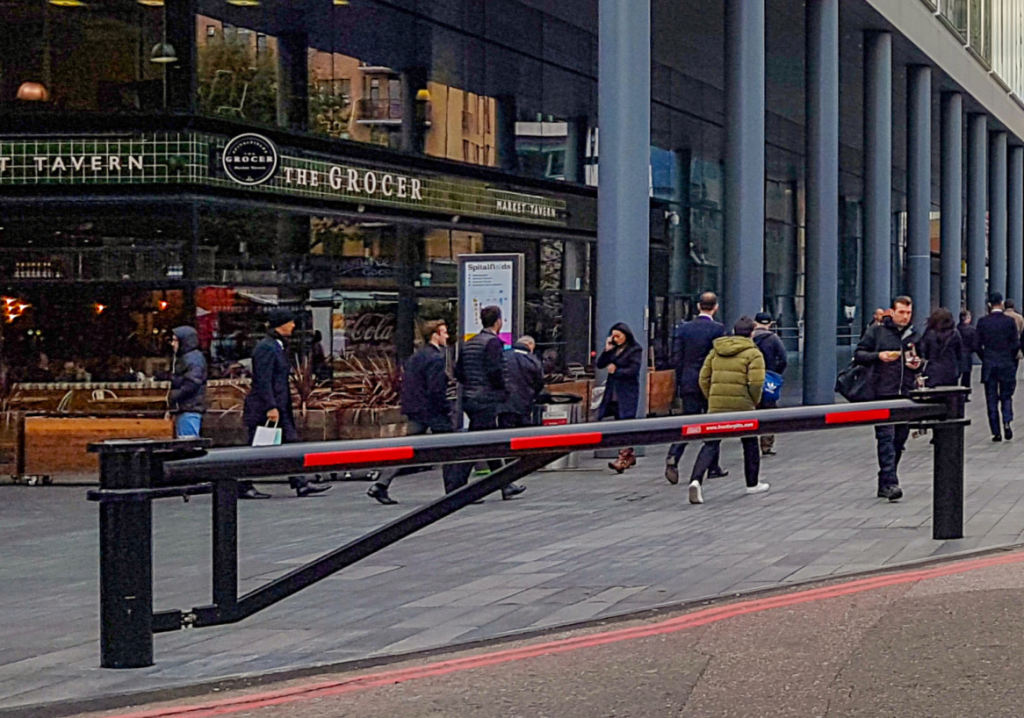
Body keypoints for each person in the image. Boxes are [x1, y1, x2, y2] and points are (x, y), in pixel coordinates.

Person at [242, 309, 330, 498]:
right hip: (265, 408)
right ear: (280, 324)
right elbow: (263, 380)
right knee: (255, 448)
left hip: (280, 406)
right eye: (290, 322)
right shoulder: (266, 347)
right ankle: (243, 485)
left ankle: (300, 483)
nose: (293, 325)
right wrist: (270, 406)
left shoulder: (278, 345)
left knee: (290, 444)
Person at [368, 319, 456, 504]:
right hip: (432, 411)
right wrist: (446, 408)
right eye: (444, 332)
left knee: (407, 448)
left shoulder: (416, 356)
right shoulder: (436, 358)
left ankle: (382, 483)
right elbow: (435, 389)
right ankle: (453, 490)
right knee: (451, 448)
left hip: (416, 408)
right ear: (435, 335)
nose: (447, 336)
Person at [687, 316, 769, 505]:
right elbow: (756, 383)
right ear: (752, 332)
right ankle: (752, 483)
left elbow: (703, 378)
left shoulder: (716, 351)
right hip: (743, 405)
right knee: (750, 443)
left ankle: (696, 480)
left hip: (716, 404)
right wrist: (753, 400)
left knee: (711, 443)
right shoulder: (753, 353)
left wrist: (711, 398)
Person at [854, 296, 923, 501]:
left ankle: (885, 478)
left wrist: (918, 364)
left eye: (908, 313)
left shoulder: (914, 335)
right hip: (882, 393)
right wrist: (879, 356)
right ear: (891, 312)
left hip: (906, 393)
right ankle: (890, 482)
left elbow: (924, 359)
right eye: (901, 312)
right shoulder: (877, 331)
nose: (905, 317)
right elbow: (859, 354)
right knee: (885, 438)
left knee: (899, 439)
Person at [453, 306, 525, 499]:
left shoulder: (469, 343)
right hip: (486, 398)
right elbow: (495, 371)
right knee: (477, 444)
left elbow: (458, 371)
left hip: (470, 398)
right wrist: (503, 391)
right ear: (498, 321)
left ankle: (505, 484)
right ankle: (458, 488)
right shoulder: (493, 343)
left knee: (488, 441)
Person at [664, 292, 728, 484]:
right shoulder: (718, 329)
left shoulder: (684, 329)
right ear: (715, 307)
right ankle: (712, 466)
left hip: (688, 381)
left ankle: (674, 454)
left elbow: (675, 358)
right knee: (713, 423)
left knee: (688, 420)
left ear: (698, 306)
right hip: (709, 382)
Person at [595, 322, 644, 473]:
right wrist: (607, 349)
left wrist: (616, 371)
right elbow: (600, 364)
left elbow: (633, 370)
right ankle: (629, 454)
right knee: (618, 422)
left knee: (626, 421)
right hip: (613, 392)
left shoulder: (635, 350)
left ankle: (622, 457)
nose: (616, 339)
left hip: (627, 392)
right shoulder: (614, 349)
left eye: (618, 336)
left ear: (626, 335)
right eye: (613, 336)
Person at [976, 292, 1020, 442]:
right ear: (1001, 304)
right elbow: (1015, 344)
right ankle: (1007, 421)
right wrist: (1010, 357)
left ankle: (996, 432)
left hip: (990, 364)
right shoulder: (1009, 322)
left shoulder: (983, 322)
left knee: (991, 398)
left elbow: (976, 344)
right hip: (1006, 363)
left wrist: (985, 357)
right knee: (1006, 396)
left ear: (989, 305)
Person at [752, 311, 788, 456]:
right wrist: (775, 373)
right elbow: (783, 359)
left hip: (752, 378)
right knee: (769, 413)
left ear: (755, 323)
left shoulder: (749, 338)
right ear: (770, 324)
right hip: (769, 379)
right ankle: (766, 445)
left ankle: (751, 443)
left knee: (752, 410)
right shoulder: (774, 339)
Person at [498, 335, 545, 429]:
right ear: (529, 344)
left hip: (504, 404)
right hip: (524, 404)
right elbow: (539, 382)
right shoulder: (532, 360)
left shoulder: (503, 355)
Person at [168, 326, 207, 439]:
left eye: (175, 340)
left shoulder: (192, 359)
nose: (172, 344)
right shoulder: (189, 357)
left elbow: (192, 383)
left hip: (189, 408)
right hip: (187, 408)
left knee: (188, 445)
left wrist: (174, 396)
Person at [919, 308, 964, 388]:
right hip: (951, 371)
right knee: (950, 395)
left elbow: (924, 352)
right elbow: (959, 354)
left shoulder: (929, 334)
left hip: (933, 371)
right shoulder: (955, 334)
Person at [957, 309, 978, 390]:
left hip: (957, 355)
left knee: (956, 375)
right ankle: (965, 393)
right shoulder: (971, 330)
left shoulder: (956, 329)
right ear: (967, 318)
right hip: (967, 354)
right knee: (966, 376)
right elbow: (975, 343)